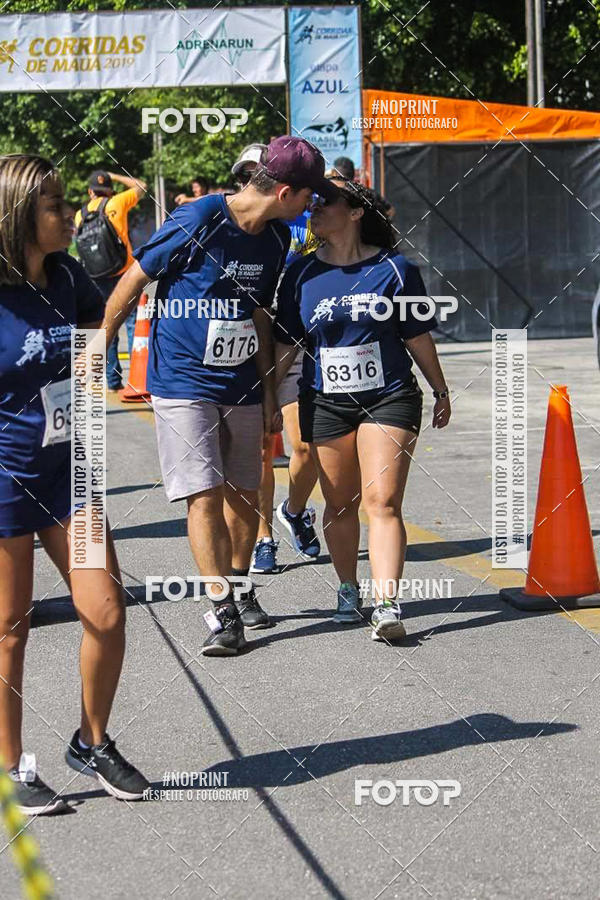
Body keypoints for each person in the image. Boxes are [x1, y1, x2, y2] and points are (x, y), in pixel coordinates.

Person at [100, 136, 338, 655]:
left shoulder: (275, 240)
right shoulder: (200, 217)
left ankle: (239, 580)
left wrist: (271, 391)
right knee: (202, 492)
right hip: (183, 381)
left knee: (244, 493)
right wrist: (101, 340)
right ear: (285, 192)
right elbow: (137, 276)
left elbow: (260, 315)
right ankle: (222, 610)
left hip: (243, 385)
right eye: (309, 195)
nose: (313, 205)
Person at [0, 154, 149, 815]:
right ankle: (11, 765)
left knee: (107, 612)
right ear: (18, 218)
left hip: (69, 477)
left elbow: (95, 334)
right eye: (56, 207)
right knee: (10, 628)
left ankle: (91, 742)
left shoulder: (65, 276)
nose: (72, 215)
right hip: (4, 482)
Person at [274, 179, 451, 642]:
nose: (313, 210)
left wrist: (440, 388)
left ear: (355, 212)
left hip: (388, 397)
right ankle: (348, 589)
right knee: (339, 502)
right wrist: (266, 397)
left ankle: (387, 604)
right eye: (309, 204)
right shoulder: (299, 273)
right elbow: (287, 345)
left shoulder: (396, 269)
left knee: (383, 502)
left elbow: (416, 334)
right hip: (324, 401)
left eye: (324, 203)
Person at [226, 146, 321, 575]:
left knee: (304, 447)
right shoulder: (237, 226)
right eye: (242, 176)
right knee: (262, 450)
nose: (249, 182)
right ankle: (263, 537)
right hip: (255, 343)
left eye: (255, 173)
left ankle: (295, 510)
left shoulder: (303, 216)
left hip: (302, 339)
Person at [75, 169, 146, 391]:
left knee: (107, 326)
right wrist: (115, 175)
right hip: (123, 273)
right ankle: (137, 377)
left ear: (90, 192)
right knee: (133, 322)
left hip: (96, 276)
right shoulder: (117, 202)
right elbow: (141, 186)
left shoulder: (80, 214)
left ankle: (112, 379)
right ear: (110, 190)